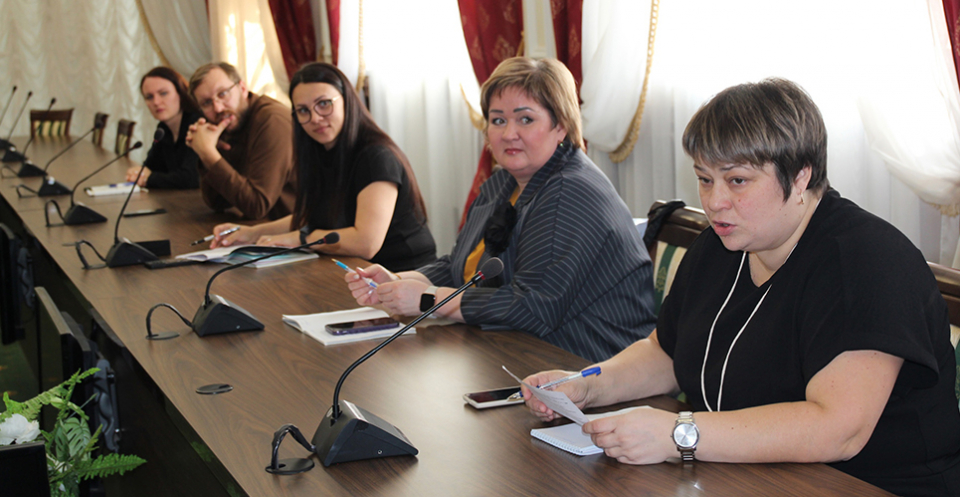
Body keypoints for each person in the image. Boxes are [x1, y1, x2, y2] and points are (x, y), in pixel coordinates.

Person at [520, 78, 960, 496]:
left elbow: (838, 430)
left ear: (800, 177)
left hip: (869, 486)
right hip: (742, 475)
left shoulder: (867, 262)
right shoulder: (721, 244)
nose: (714, 202)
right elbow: (666, 352)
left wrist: (679, 434)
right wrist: (587, 386)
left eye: (737, 181)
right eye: (704, 179)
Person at [344, 57, 657, 362]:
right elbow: (462, 266)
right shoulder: (502, 183)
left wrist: (429, 300)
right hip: (518, 349)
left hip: (591, 362)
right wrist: (398, 281)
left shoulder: (571, 193)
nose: (508, 134)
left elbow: (533, 309)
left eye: (525, 119)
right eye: (498, 120)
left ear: (561, 126)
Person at [210, 62, 437, 272]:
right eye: (303, 110)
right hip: (355, 272)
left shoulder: (376, 156)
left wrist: (301, 239)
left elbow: (366, 243)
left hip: (405, 276)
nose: (315, 118)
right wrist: (251, 233)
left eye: (324, 104)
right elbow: (311, 216)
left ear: (346, 100)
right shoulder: (322, 152)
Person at [186, 62, 296, 220]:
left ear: (243, 89)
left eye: (223, 94)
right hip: (264, 227)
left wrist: (208, 154)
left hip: (299, 230)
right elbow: (218, 202)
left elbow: (257, 206)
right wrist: (211, 153)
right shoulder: (231, 121)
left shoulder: (272, 120)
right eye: (207, 103)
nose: (218, 108)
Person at [126, 67, 202, 189]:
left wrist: (148, 178)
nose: (156, 102)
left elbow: (191, 178)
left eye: (163, 93)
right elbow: (151, 167)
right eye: (149, 97)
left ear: (180, 93)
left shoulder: (198, 124)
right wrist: (139, 173)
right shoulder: (163, 128)